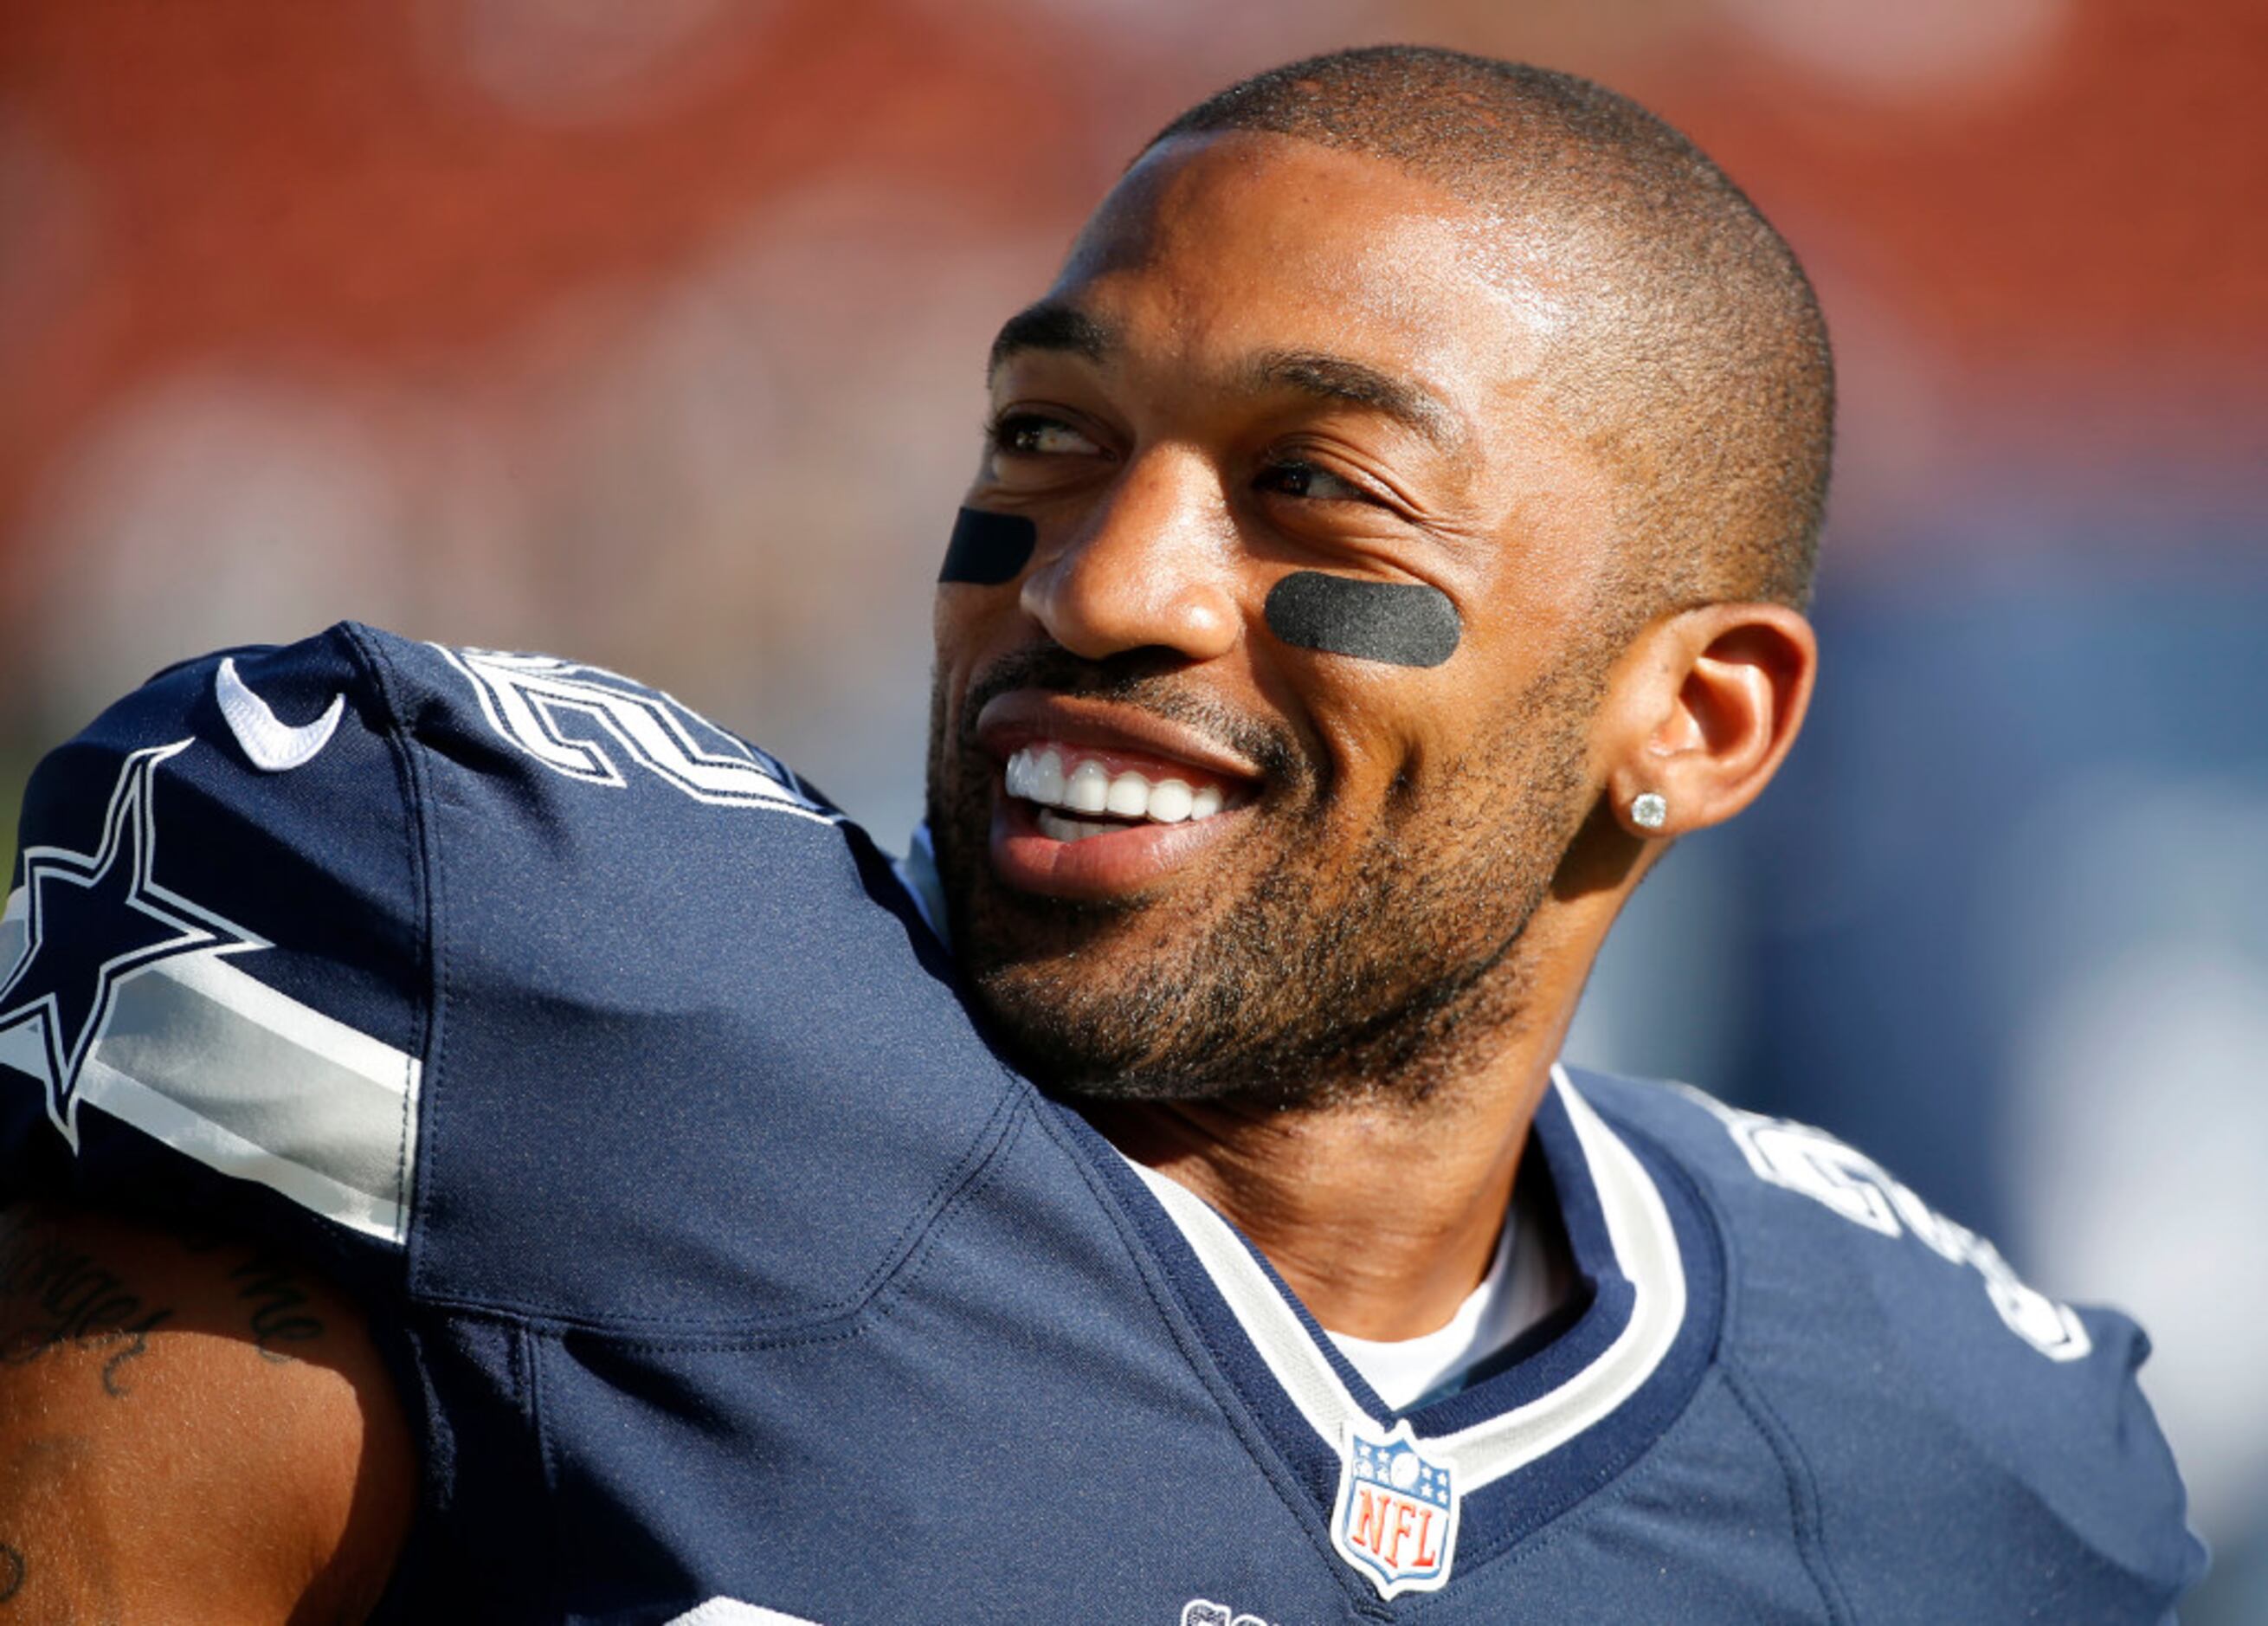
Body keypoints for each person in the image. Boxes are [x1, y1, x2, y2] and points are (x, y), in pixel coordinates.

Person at [0, 46, 2201, 1623]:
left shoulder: (1948, 1458)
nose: (1092, 587)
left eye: (1311, 485)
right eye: (1044, 437)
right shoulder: (538, 1016)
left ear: (1694, 720)